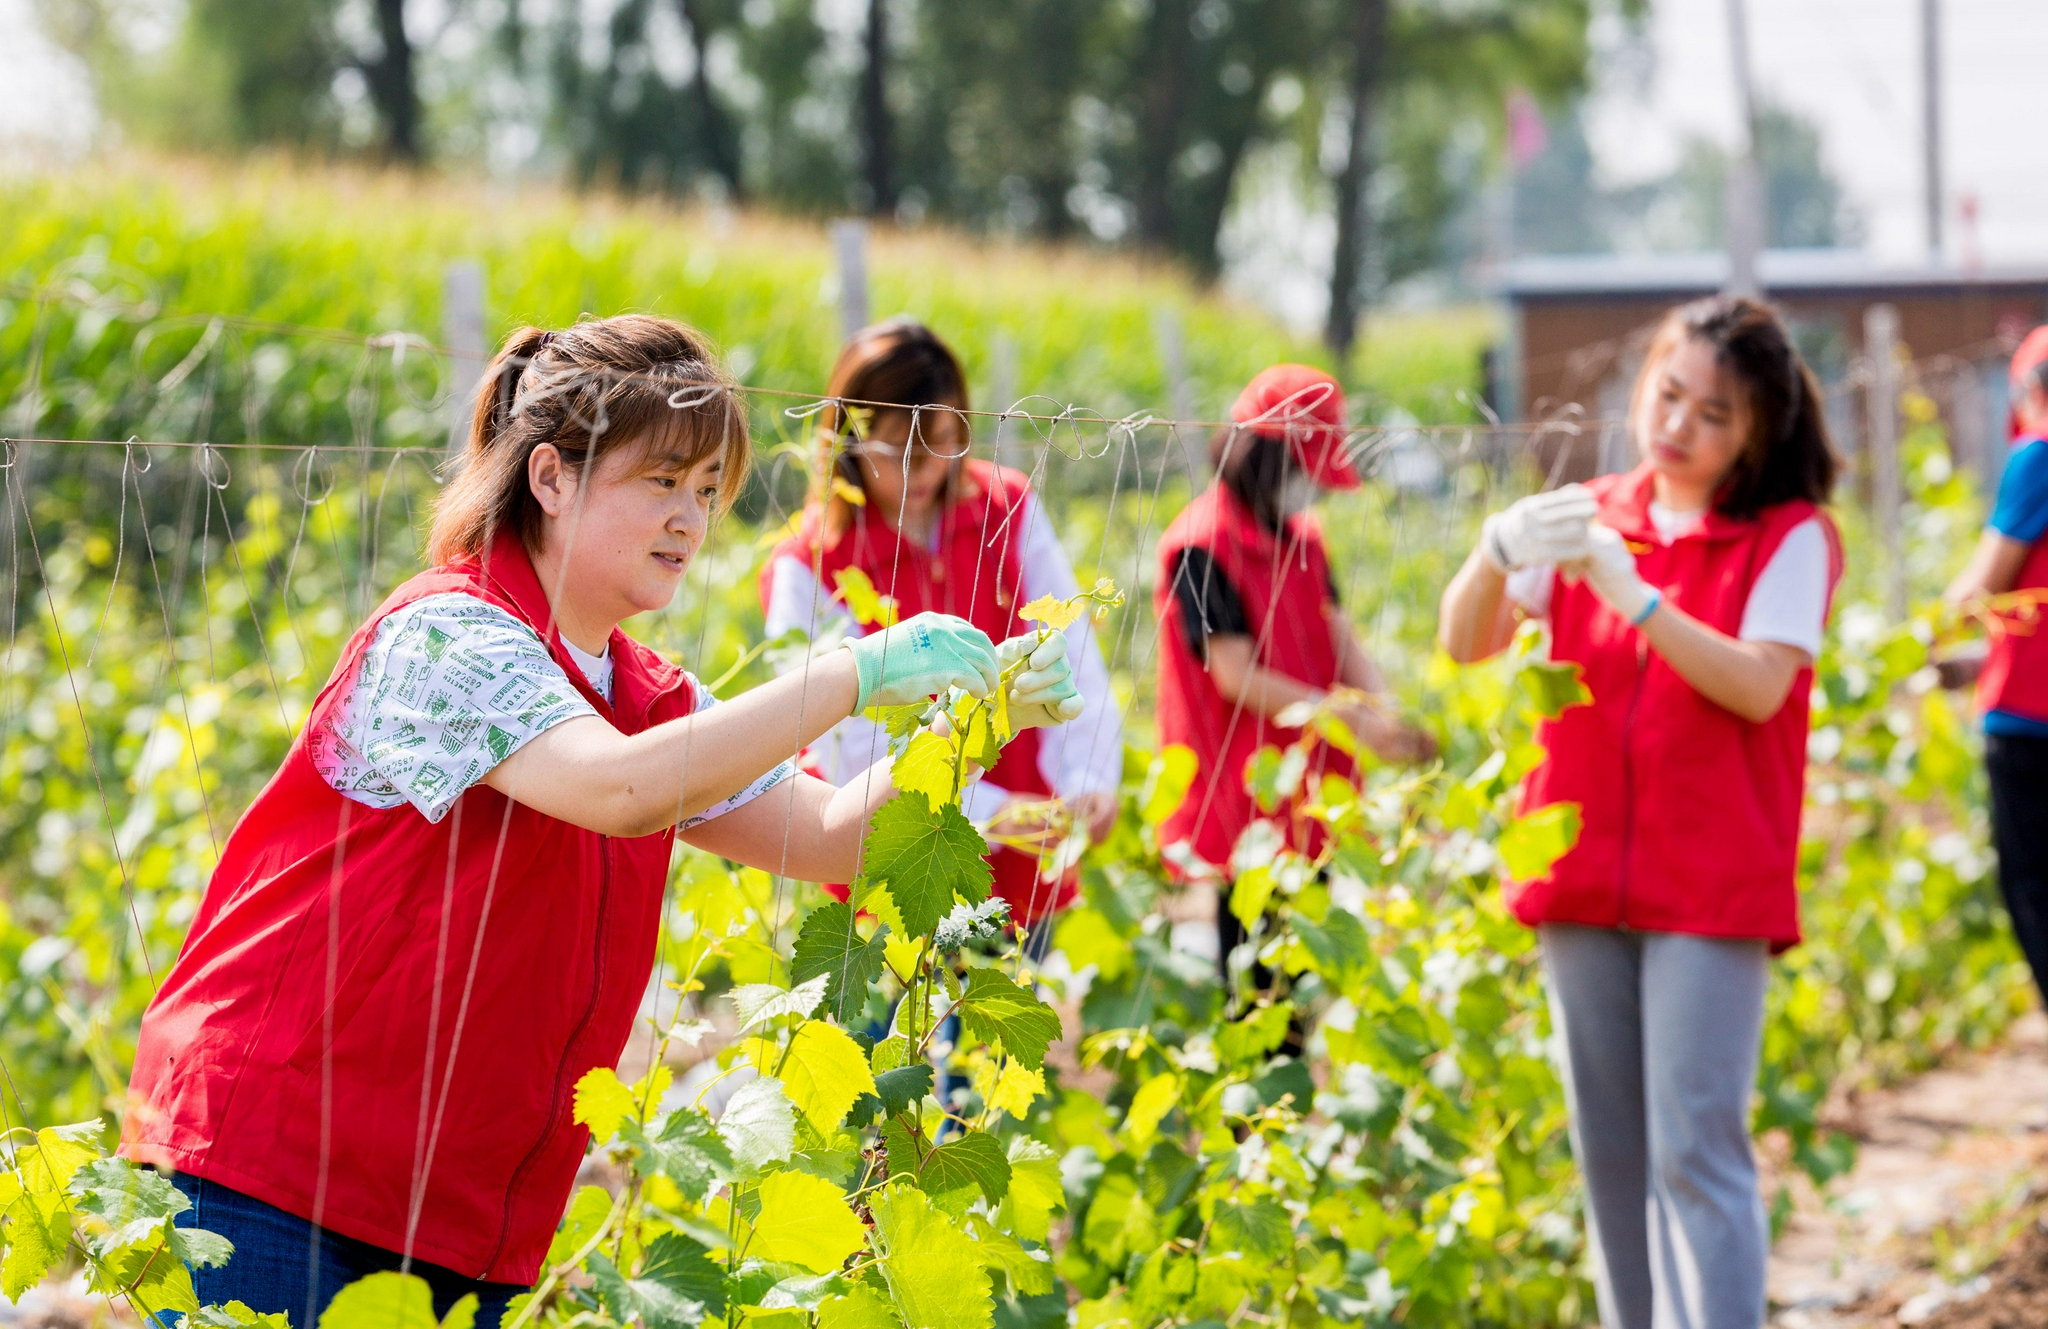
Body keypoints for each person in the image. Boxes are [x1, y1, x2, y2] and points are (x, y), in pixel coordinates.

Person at [121, 315, 1081, 1325]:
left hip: (452, 1206)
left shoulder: (650, 695)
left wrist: (971, 722)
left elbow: (835, 835)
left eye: (708, 491)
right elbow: (619, 791)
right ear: (551, 478)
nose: (690, 519)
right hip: (274, 1169)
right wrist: (855, 670)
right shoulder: (448, 631)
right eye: (660, 482)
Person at [1438, 295, 1842, 1329]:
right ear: (1642, 384)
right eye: (1668, 394)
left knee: (1695, 1146)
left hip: (1708, 884)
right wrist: (1493, 550)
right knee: (1608, 1150)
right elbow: (1463, 642)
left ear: (1756, 429)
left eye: (1713, 413)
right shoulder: (1587, 512)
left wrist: (1638, 600)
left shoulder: (1786, 537)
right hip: (1581, 876)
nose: (1678, 424)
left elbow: (1758, 684)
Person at [761, 317, 1124, 936]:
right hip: (887, 869)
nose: (921, 468)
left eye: (939, 441)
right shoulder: (812, 562)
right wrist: (991, 811)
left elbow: (1071, 649)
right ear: (849, 439)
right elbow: (835, 739)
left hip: (1020, 852)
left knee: (998, 1015)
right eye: (897, 448)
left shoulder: (1007, 509)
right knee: (893, 1027)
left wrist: (1087, 780)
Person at [1152, 363, 1433, 980]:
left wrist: (1385, 709)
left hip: (1310, 784)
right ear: (1263, 459)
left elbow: (1338, 632)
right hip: (1244, 787)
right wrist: (1347, 716)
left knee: (1300, 962)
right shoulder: (1199, 545)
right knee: (1256, 973)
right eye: (1306, 473)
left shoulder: (1303, 538)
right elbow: (1233, 674)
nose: (1314, 489)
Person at [1945, 326, 2048, 1008]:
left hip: (2030, 719)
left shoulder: (2037, 456)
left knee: (2037, 893)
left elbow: (1976, 592)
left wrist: (1949, 614)